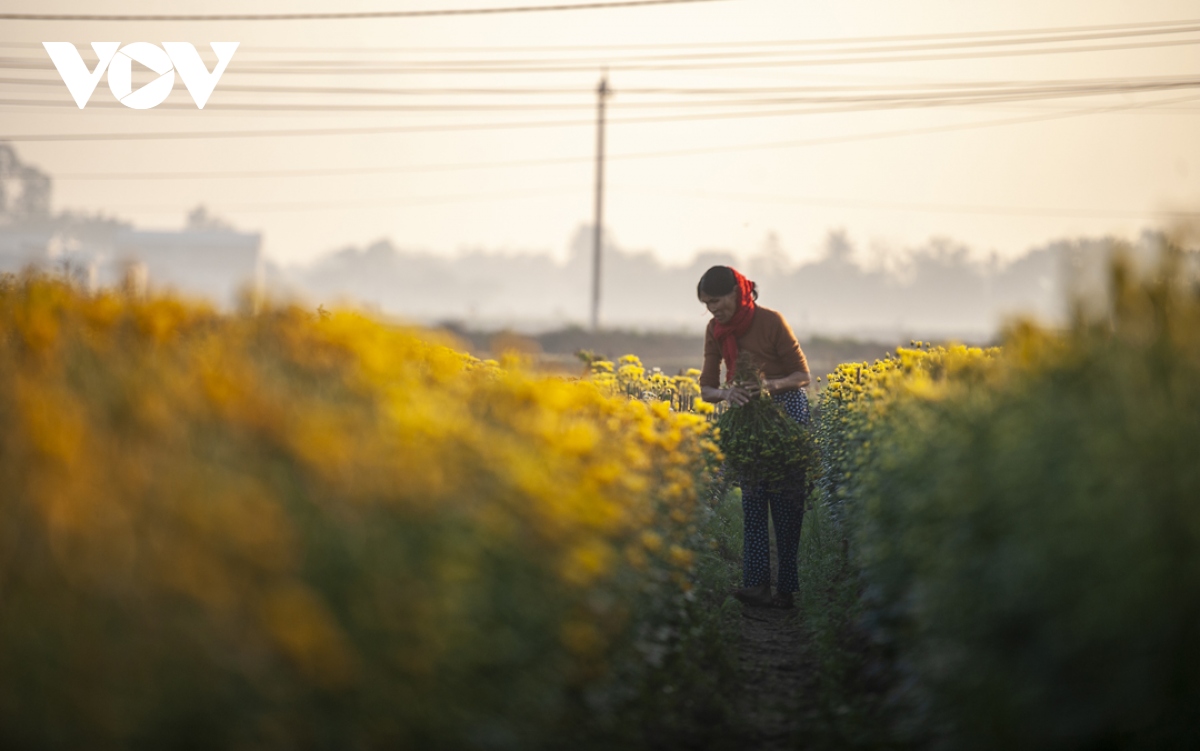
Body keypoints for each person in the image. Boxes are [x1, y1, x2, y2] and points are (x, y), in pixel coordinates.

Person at [697, 265, 811, 609]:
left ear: (737, 292)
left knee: (788, 502)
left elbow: (802, 375)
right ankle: (756, 585)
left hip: (785, 413)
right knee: (753, 500)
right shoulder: (715, 330)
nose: (713, 309)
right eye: (706, 304)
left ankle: (787, 590)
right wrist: (727, 395)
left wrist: (769, 386)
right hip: (745, 413)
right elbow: (706, 387)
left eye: (716, 300)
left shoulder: (771, 321)